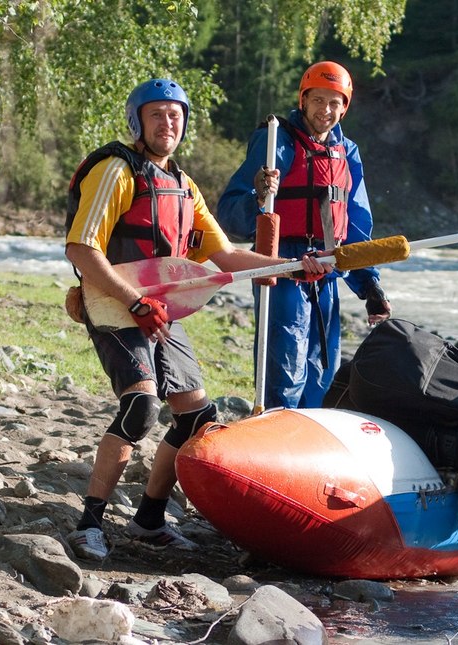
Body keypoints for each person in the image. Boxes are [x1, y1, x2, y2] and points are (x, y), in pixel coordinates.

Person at [64, 78, 329, 560]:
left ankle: (148, 519)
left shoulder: (184, 187)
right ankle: (89, 523)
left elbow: (225, 256)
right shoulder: (116, 171)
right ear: (138, 122)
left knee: (198, 416)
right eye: (157, 114)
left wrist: (294, 266)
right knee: (140, 408)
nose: (169, 123)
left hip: (159, 305)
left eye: (176, 115)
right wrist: (136, 301)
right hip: (113, 300)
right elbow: (82, 248)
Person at [216, 61, 391, 409]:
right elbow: (230, 214)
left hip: (327, 267)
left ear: (344, 107)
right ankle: (277, 428)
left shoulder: (348, 153)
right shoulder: (275, 140)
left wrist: (369, 285)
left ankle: (311, 435)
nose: (325, 111)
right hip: (282, 265)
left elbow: (356, 223)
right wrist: (258, 195)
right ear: (303, 99)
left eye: (334, 103)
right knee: (285, 366)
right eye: (318, 100)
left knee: (323, 370)